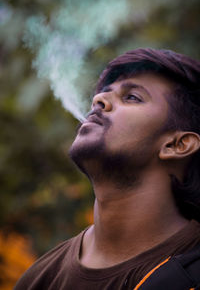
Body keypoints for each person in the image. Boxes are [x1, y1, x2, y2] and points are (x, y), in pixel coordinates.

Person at [14, 48, 200, 290]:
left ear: (177, 144)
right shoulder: (39, 279)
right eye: (104, 93)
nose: (98, 101)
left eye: (132, 97)